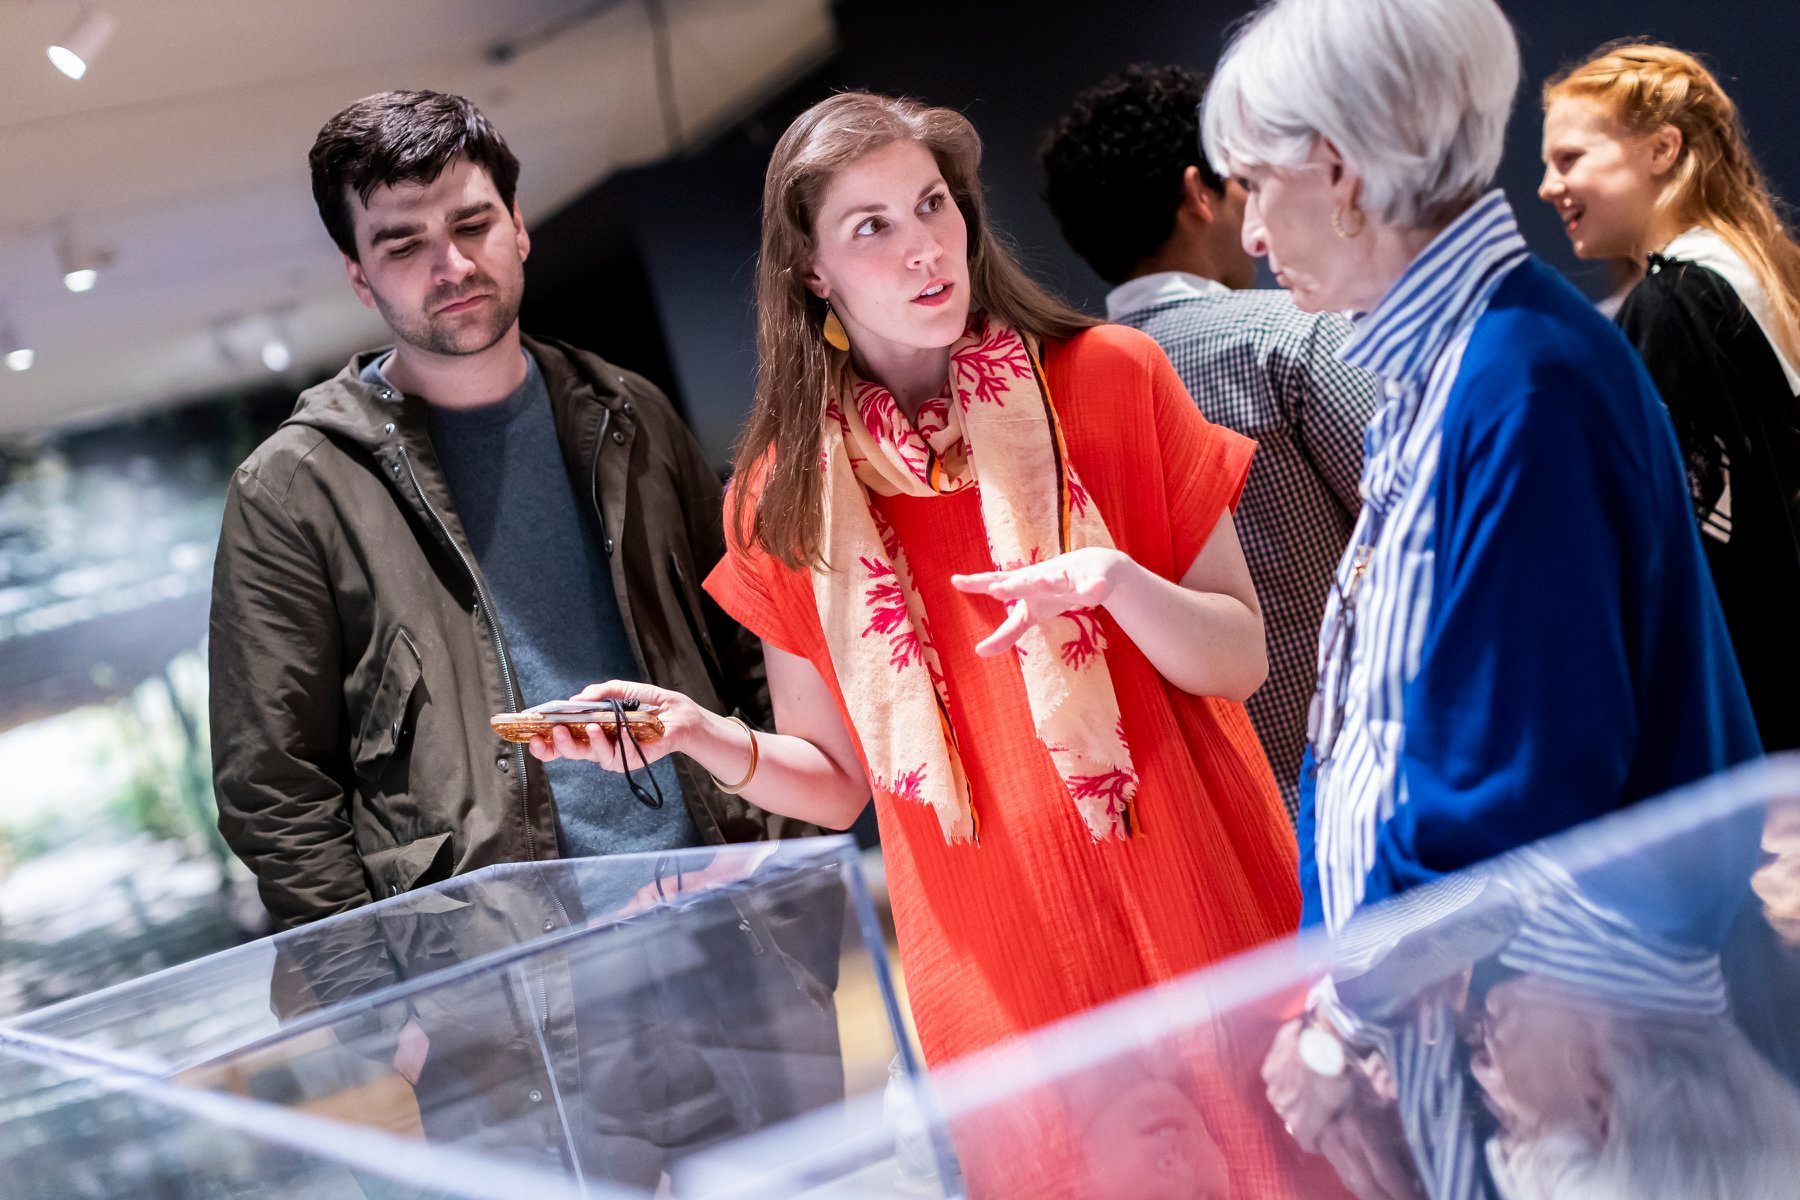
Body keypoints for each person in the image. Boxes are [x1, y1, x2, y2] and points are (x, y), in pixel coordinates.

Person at [533, 91, 1301, 1072]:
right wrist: (698, 735)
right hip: (997, 960)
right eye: (873, 226)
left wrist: (1116, 583)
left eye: (934, 204)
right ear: (810, 269)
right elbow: (836, 785)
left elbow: (1240, 659)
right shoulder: (782, 492)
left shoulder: (1112, 377)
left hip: (1196, 902)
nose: (925, 247)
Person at [208, 90, 828, 1189]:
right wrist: (387, 1021)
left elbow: (750, 655)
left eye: (472, 223)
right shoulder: (295, 492)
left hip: (732, 956)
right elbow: (274, 790)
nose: (448, 262)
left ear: (519, 225)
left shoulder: (626, 414)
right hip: (503, 1020)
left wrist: (777, 883)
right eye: (402, 243)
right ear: (359, 277)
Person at [1200, 0, 1762, 1187]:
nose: (1248, 230)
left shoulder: (1518, 378)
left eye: (1258, 185)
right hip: (1488, 1025)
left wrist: (1342, 1021)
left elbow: (1518, 774)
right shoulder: (1458, 365)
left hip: (1569, 1052)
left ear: (1342, 171)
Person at [1040, 64, 1378, 820]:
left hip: (1199, 823)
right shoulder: (1288, 337)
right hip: (1367, 785)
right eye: (1243, 185)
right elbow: (1433, 527)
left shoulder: (1048, 404)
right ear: (1200, 193)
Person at [1539, 42, 1800, 752]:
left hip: (1743, 729)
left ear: (1661, 149)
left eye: (1568, 159)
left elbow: (1670, 536)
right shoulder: (1755, 273)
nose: (1545, 187)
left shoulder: (1676, 300)